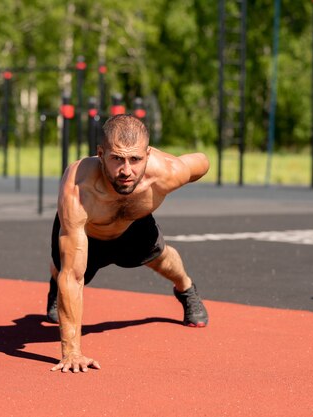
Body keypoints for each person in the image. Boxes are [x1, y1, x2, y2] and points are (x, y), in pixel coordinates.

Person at [47, 114, 209, 373]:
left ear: (148, 154)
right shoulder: (80, 188)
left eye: (135, 159)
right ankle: (55, 290)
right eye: (116, 159)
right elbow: (73, 275)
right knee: (64, 268)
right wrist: (72, 352)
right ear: (100, 154)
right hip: (89, 232)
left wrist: (167, 162)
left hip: (134, 225)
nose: (126, 170)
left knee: (164, 261)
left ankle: (187, 290)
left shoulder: (167, 171)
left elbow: (202, 162)